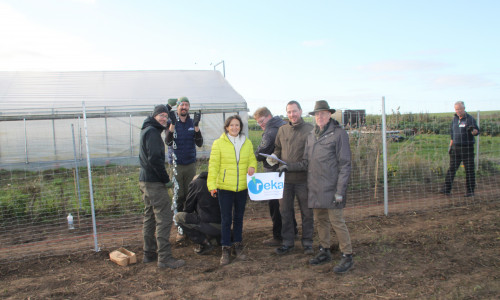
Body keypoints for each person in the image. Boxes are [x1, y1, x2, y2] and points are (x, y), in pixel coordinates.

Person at [278, 100, 354, 274]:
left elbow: (345, 165)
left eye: (323, 113)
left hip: (333, 188)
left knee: (337, 221)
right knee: (321, 221)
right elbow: (305, 162)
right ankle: (325, 250)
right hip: (316, 188)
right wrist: (288, 166)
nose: (320, 116)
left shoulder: (338, 134)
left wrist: (340, 191)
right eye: (317, 114)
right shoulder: (312, 135)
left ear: (329, 115)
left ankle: (347, 255)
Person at [139, 104, 185, 269]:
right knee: (164, 218)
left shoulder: (148, 128)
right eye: (161, 116)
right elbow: (155, 160)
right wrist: (166, 179)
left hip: (145, 180)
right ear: (155, 116)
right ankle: (164, 258)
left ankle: (148, 253)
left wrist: (166, 106)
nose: (164, 118)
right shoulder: (152, 133)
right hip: (154, 182)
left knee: (150, 216)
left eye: (166, 116)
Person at [207, 115, 257, 266]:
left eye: (237, 125)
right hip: (225, 187)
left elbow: (252, 159)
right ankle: (226, 248)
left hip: (242, 186)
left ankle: (238, 245)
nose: (235, 128)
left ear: (240, 127)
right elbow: (213, 165)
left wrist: (252, 166)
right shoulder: (218, 143)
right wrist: (211, 185)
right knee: (226, 219)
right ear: (227, 127)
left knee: (239, 218)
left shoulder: (246, 142)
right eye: (232, 125)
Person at [266, 101, 314, 255]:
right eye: (289, 112)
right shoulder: (282, 130)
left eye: (294, 111)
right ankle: (288, 242)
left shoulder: (310, 130)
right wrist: (274, 156)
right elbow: (278, 148)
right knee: (285, 211)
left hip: (303, 179)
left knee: (307, 212)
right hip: (285, 180)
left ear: (300, 111)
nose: (292, 115)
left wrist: (290, 166)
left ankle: (307, 243)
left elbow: (310, 159)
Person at [253, 107, 298, 247]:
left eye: (262, 121)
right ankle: (293, 231)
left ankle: (278, 236)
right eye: (259, 123)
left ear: (269, 116)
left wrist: (255, 155)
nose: (261, 125)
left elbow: (260, 152)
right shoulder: (284, 124)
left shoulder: (271, 131)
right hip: (287, 171)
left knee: (275, 205)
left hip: (273, 173)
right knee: (286, 204)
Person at [165, 96, 203, 242]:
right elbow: (168, 141)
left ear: (189, 108)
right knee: (178, 196)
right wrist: (173, 125)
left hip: (190, 164)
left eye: (187, 105)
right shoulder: (171, 121)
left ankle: (190, 226)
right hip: (176, 165)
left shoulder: (192, 123)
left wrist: (197, 126)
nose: (184, 107)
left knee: (190, 195)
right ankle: (180, 229)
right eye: (182, 105)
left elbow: (199, 143)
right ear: (178, 107)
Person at [174, 171, 221, 255]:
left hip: (208, 225)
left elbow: (187, 209)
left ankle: (204, 243)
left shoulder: (196, 183)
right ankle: (215, 239)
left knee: (178, 217)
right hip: (224, 226)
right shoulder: (220, 181)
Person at [441, 101, 480, 197]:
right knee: (452, 169)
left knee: (469, 170)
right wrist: (450, 146)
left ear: (464, 108)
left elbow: (476, 132)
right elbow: (452, 134)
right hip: (455, 148)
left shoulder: (470, 119)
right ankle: (446, 189)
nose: (458, 111)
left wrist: (473, 131)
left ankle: (470, 191)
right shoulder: (454, 119)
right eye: (456, 109)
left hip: (467, 148)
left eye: (459, 109)